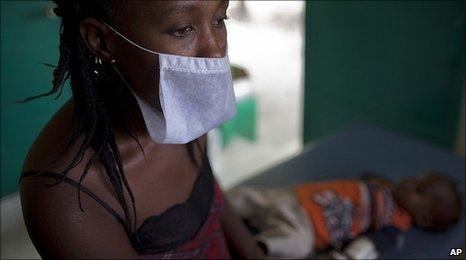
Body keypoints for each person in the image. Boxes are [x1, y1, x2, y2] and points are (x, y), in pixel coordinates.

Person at [19, 1, 264, 258]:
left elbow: (212, 197)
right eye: (182, 30)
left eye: (219, 19)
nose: (215, 49)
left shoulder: (179, 109)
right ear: (102, 40)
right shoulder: (67, 194)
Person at [228, 171, 462, 258]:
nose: (411, 181)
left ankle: (257, 248)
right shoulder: (384, 185)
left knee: (296, 245)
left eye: (419, 189)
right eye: (418, 178)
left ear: (423, 218)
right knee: (249, 197)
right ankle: (220, 204)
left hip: (309, 229)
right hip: (295, 198)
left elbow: (366, 248)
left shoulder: (393, 226)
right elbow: (364, 178)